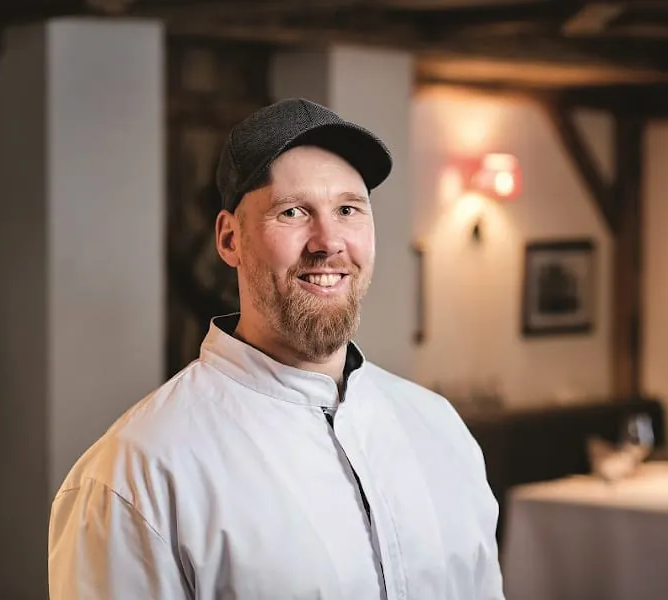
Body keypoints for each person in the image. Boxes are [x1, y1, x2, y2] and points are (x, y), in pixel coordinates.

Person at [47, 98, 505, 599]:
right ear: (229, 239)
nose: (328, 241)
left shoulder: (437, 427)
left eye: (348, 210)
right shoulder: (138, 472)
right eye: (293, 212)